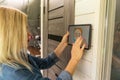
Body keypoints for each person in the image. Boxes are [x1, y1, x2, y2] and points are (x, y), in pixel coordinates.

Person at [0, 6, 86, 80]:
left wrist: (62, 44)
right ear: (10, 35)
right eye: (24, 29)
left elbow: (44, 63)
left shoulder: (18, 55)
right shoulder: (13, 72)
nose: (30, 35)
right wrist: (74, 60)